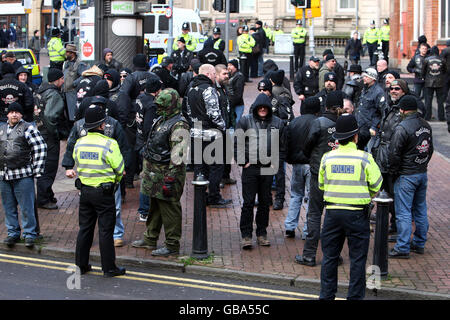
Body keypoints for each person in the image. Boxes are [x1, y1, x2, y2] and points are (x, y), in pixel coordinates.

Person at [319, 113, 382, 300]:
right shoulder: (365, 158)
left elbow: (321, 185)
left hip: (332, 213)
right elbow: (377, 185)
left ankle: (326, 297)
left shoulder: (327, 158)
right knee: (357, 260)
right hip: (357, 214)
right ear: (355, 136)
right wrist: (364, 195)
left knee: (329, 258)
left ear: (337, 137)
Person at [63, 97, 130, 247]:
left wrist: (124, 169)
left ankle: (116, 234)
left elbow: (124, 147)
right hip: (90, 178)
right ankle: (98, 239)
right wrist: (68, 166)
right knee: (92, 214)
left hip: (106, 177)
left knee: (115, 207)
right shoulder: (79, 126)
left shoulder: (113, 124)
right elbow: (70, 146)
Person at [68, 104, 126, 277]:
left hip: (85, 191)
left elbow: (76, 161)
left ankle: (81, 265)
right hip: (104, 192)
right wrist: (115, 181)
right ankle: (109, 268)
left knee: (85, 228)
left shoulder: (79, 143)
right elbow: (120, 168)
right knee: (106, 230)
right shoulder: (109, 143)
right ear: (102, 125)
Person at [132, 88, 189, 256]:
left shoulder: (179, 124)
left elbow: (178, 154)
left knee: (170, 208)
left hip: (167, 173)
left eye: (163, 106)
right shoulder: (163, 119)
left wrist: (171, 177)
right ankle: (150, 238)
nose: (159, 109)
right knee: (155, 207)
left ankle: (172, 245)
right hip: (154, 172)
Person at [295, 91, 343, 267]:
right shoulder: (346, 123)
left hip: (319, 173)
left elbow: (307, 146)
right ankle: (333, 255)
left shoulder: (319, 123)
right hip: (340, 175)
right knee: (334, 216)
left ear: (326, 105)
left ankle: (309, 255)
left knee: (314, 214)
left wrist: (313, 157)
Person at [235, 93, 286, 249]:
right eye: (260, 107)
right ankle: (246, 235)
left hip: (267, 167)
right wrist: (243, 162)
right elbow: (238, 143)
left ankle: (262, 233)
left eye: (265, 107)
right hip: (251, 168)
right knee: (248, 203)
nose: (263, 109)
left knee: (264, 202)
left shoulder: (278, 123)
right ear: (256, 108)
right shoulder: (245, 121)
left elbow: (282, 147)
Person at [388, 96, 433, 259]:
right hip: (421, 172)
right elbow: (430, 149)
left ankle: (402, 247)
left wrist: (394, 171)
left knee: (404, 212)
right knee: (420, 209)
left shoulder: (402, 127)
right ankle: (419, 243)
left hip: (406, 174)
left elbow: (394, 153)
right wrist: (422, 165)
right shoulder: (426, 125)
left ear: (403, 110)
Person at [0, 102, 47, 248]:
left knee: (27, 207)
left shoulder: (28, 128)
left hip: (23, 175)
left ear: (21, 115)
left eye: (17, 112)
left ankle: (29, 234)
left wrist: (37, 170)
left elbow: (40, 147)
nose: (14, 114)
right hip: (4, 175)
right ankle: (13, 233)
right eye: (12, 112)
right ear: (7, 114)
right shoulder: (1, 129)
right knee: (9, 207)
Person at [185, 64, 231, 207]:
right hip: (211, 133)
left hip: (196, 132)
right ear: (209, 74)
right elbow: (214, 113)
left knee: (200, 166)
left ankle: (201, 195)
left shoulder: (191, 89)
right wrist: (222, 127)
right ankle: (214, 196)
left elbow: (186, 111)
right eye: (213, 74)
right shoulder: (209, 90)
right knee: (216, 166)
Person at [284, 97, 321, 240]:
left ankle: (290, 226)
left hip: (297, 164)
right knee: (311, 197)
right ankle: (307, 230)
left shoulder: (294, 122)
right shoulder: (318, 123)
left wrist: (289, 158)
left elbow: (288, 141)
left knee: (296, 195)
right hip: (311, 164)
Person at [34, 68, 67, 210]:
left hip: (39, 132)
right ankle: (43, 198)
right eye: (62, 78)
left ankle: (47, 193)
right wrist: (55, 132)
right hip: (49, 135)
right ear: (57, 80)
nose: (64, 81)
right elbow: (50, 116)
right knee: (49, 166)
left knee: (44, 165)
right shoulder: (54, 95)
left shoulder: (39, 91)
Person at [135, 77, 161, 222]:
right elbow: (148, 128)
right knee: (148, 178)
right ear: (157, 91)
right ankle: (144, 210)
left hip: (139, 142)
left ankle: (146, 208)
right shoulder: (151, 105)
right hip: (146, 145)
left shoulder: (140, 98)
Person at [215, 64, 235, 188]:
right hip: (218, 128)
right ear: (216, 75)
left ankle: (226, 176)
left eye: (227, 73)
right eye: (224, 74)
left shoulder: (225, 87)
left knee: (228, 153)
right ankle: (219, 179)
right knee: (219, 156)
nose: (227, 76)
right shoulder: (213, 89)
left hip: (227, 125)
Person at [355, 67, 385, 150]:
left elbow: (381, 112)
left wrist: (374, 127)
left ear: (373, 79)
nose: (364, 78)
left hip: (370, 128)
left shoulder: (378, 92)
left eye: (366, 77)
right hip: (361, 127)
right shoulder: (365, 89)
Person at [63, 44, 88, 123]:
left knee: (73, 116)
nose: (66, 54)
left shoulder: (80, 64)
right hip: (65, 93)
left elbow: (83, 76)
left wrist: (74, 83)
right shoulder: (66, 63)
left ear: (72, 53)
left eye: (67, 52)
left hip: (73, 93)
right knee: (66, 116)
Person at [422, 46, 447, 121]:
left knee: (428, 100)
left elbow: (423, 71)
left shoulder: (426, 59)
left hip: (428, 82)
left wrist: (424, 77)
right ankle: (441, 117)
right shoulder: (442, 60)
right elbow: (445, 70)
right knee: (440, 101)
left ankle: (427, 117)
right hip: (440, 82)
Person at [227, 59, 245, 127]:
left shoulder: (239, 76)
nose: (228, 67)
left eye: (231, 65)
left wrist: (231, 103)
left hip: (237, 105)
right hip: (231, 104)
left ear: (236, 67)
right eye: (228, 65)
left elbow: (238, 94)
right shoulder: (229, 75)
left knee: (236, 124)